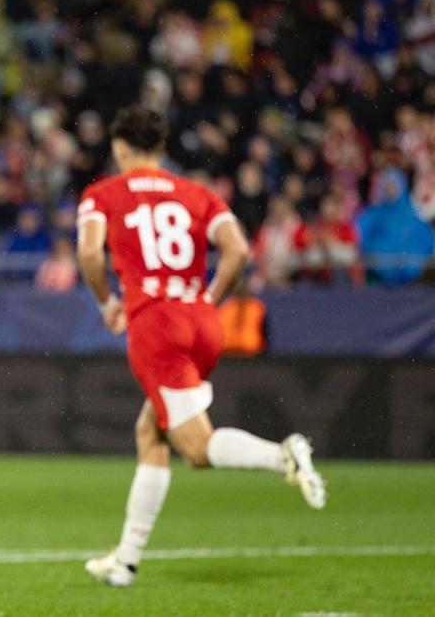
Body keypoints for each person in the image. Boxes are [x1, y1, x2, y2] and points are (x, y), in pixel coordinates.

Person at [75, 106, 326, 588]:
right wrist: (210, 298)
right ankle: (126, 559)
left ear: (120, 148)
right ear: (162, 149)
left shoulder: (103, 194)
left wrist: (108, 301)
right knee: (151, 431)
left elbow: (89, 251)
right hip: (201, 321)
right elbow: (238, 250)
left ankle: (284, 456)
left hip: (156, 325)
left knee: (196, 448)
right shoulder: (199, 194)